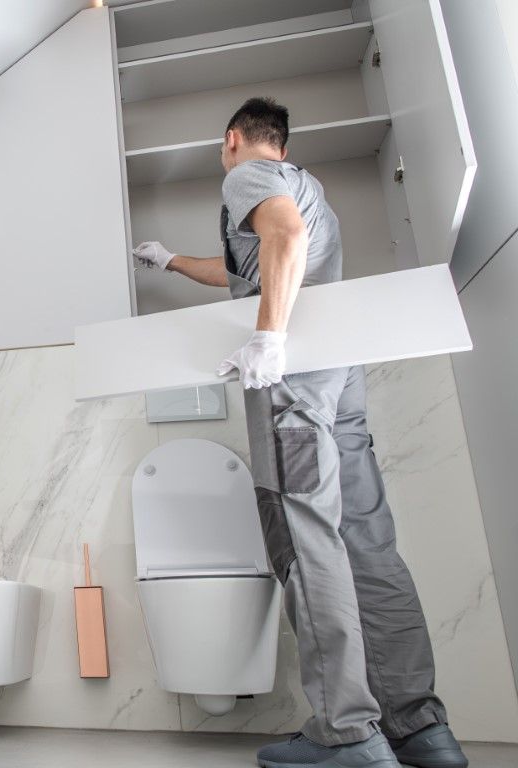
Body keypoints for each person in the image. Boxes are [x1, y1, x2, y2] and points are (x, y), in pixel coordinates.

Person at [133, 97, 468, 768]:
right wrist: (169, 259)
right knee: (368, 542)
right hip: (338, 370)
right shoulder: (307, 186)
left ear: (235, 139)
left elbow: (282, 237)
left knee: (303, 532)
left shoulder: (245, 177)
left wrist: (268, 338)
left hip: (294, 374)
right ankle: (418, 728)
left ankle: (349, 733)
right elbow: (248, 267)